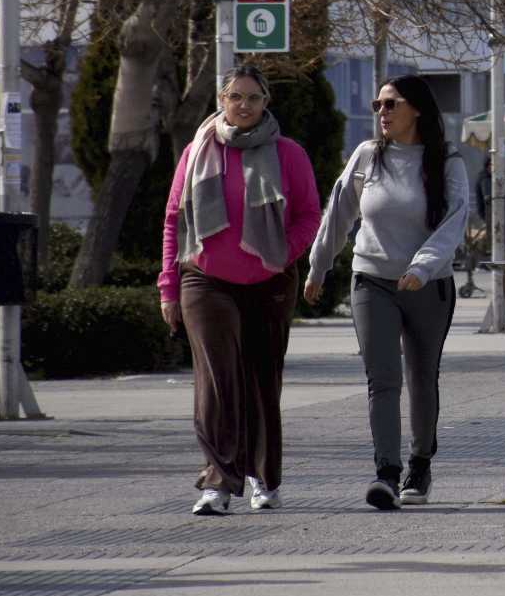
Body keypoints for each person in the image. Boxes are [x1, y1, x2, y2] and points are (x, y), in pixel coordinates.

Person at [159, 64, 322, 516]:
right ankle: (217, 481)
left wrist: (281, 252)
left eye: (253, 97)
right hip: (204, 278)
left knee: (261, 381)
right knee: (217, 381)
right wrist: (167, 287)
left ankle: (263, 479)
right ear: (221, 100)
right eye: (236, 96)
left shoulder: (288, 154)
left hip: (269, 281)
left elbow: (310, 214)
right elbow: (175, 219)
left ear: (266, 102)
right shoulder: (197, 151)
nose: (244, 105)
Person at [306, 74, 469, 511]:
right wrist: (318, 266)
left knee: (420, 377)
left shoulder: (447, 161)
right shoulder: (366, 157)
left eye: (391, 104)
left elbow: (454, 221)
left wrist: (422, 266)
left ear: (416, 109)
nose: (382, 111)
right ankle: (386, 473)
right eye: (379, 104)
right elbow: (338, 213)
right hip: (372, 280)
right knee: (382, 379)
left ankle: (420, 462)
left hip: (428, 285)